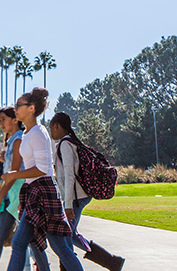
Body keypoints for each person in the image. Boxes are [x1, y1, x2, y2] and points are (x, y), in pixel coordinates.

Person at [0, 88, 84, 271]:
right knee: (22, 242)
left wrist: (14, 175)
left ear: (31, 108)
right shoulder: (28, 133)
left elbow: (42, 169)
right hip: (34, 192)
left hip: (43, 191)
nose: (15, 108)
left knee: (56, 247)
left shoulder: (38, 132)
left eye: (18, 105)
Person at [49, 113, 125, 270]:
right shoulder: (71, 143)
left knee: (66, 237)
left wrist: (68, 204)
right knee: (71, 234)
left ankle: (108, 262)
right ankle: (112, 261)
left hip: (75, 198)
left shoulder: (65, 145)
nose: (51, 132)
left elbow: (69, 176)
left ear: (57, 126)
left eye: (51, 128)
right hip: (79, 196)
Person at [0, 106, 49, 271]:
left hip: (20, 198)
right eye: (0, 120)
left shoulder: (19, 139)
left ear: (15, 120)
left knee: (30, 242)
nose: (1, 124)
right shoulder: (14, 140)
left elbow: (14, 174)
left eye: (4, 119)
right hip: (12, 198)